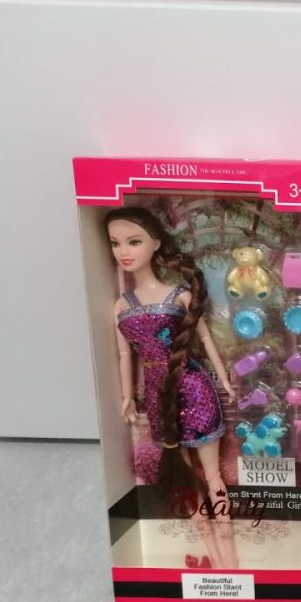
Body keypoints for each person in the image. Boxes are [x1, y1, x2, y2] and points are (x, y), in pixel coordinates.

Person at [107, 207, 239, 569]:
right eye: (115, 243)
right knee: (184, 478)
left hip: (193, 387)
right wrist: (126, 396)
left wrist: (223, 378)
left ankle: (230, 559)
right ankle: (214, 554)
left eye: (134, 241)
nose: (123, 251)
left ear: (155, 243)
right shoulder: (121, 305)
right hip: (156, 396)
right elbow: (125, 356)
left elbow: (205, 339)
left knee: (212, 475)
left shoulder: (179, 295)